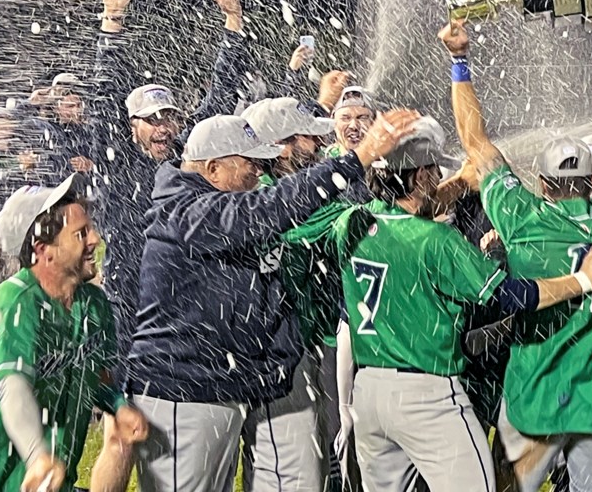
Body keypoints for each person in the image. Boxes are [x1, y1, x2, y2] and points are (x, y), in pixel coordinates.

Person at [126, 109, 417, 492]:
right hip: (184, 392)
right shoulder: (185, 210)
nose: (258, 174)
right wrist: (356, 159)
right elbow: (267, 210)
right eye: (250, 164)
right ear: (213, 168)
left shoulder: (213, 203)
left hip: (224, 385)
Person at [326, 117, 592, 492]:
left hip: (369, 393)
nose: (436, 178)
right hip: (427, 393)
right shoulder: (436, 240)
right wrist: (581, 280)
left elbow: (404, 215)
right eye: (432, 172)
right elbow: (511, 295)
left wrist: (459, 183)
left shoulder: (351, 222)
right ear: (419, 177)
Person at [440, 16, 592, 492]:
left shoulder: (521, 217)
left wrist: (460, 61)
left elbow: (475, 143)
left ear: (541, 183)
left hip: (532, 398)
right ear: (589, 180)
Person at [87, 0, 253, 491]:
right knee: (121, 435)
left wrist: (233, 27)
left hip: (176, 314)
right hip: (127, 309)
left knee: (160, 437)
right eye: (150, 119)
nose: (163, 127)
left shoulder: (185, 164)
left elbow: (216, 108)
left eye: (169, 118)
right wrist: (112, 21)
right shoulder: (116, 165)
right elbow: (102, 100)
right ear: (129, 126)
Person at [0, 175, 148, 491]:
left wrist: (118, 407)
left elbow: (97, 376)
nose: (94, 239)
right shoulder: (13, 304)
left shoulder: (93, 305)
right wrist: (37, 455)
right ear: (44, 251)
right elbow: (13, 390)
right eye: (81, 234)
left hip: (55, 479)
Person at [241, 96, 337, 491]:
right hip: (275, 353)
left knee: (320, 460)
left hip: (307, 340)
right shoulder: (257, 196)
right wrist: (354, 203)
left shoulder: (287, 189)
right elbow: (302, 230)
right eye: (308, 139)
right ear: (282, 145)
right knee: (291, 470)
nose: (316, 147)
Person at [328, 86, 376, 158]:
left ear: (373, 123)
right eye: (345, 118)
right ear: (333, 123)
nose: (353, 126)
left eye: (362, 118)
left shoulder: (389, 161)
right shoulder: (320, 161)